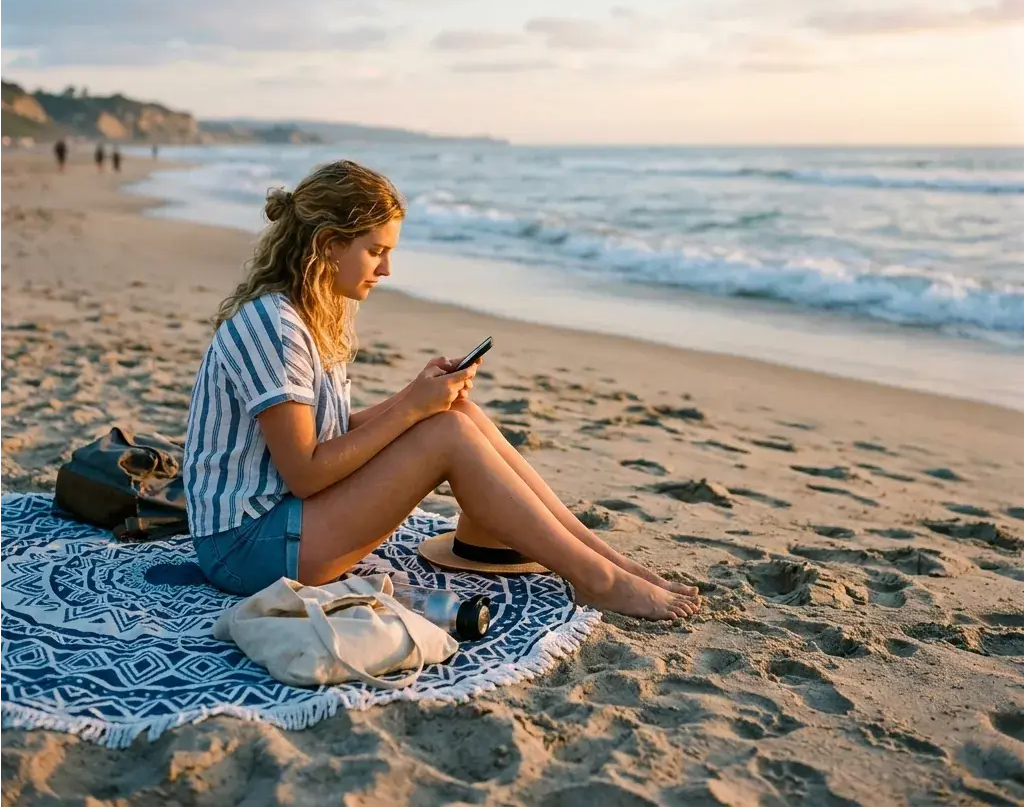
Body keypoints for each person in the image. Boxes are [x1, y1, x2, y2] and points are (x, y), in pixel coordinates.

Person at [181, 160, 701, 620]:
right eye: (375, 252)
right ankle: (598, 581)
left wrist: (417, 397)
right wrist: (410, 409)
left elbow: (328, 435)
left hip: (282, 526)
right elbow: (305, 473)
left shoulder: (307, 314)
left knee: (457, 415)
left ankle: (606, 560)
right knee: (445, 433)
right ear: (328, 244)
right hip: (246, 548)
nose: (386, 269)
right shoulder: (276, 324)